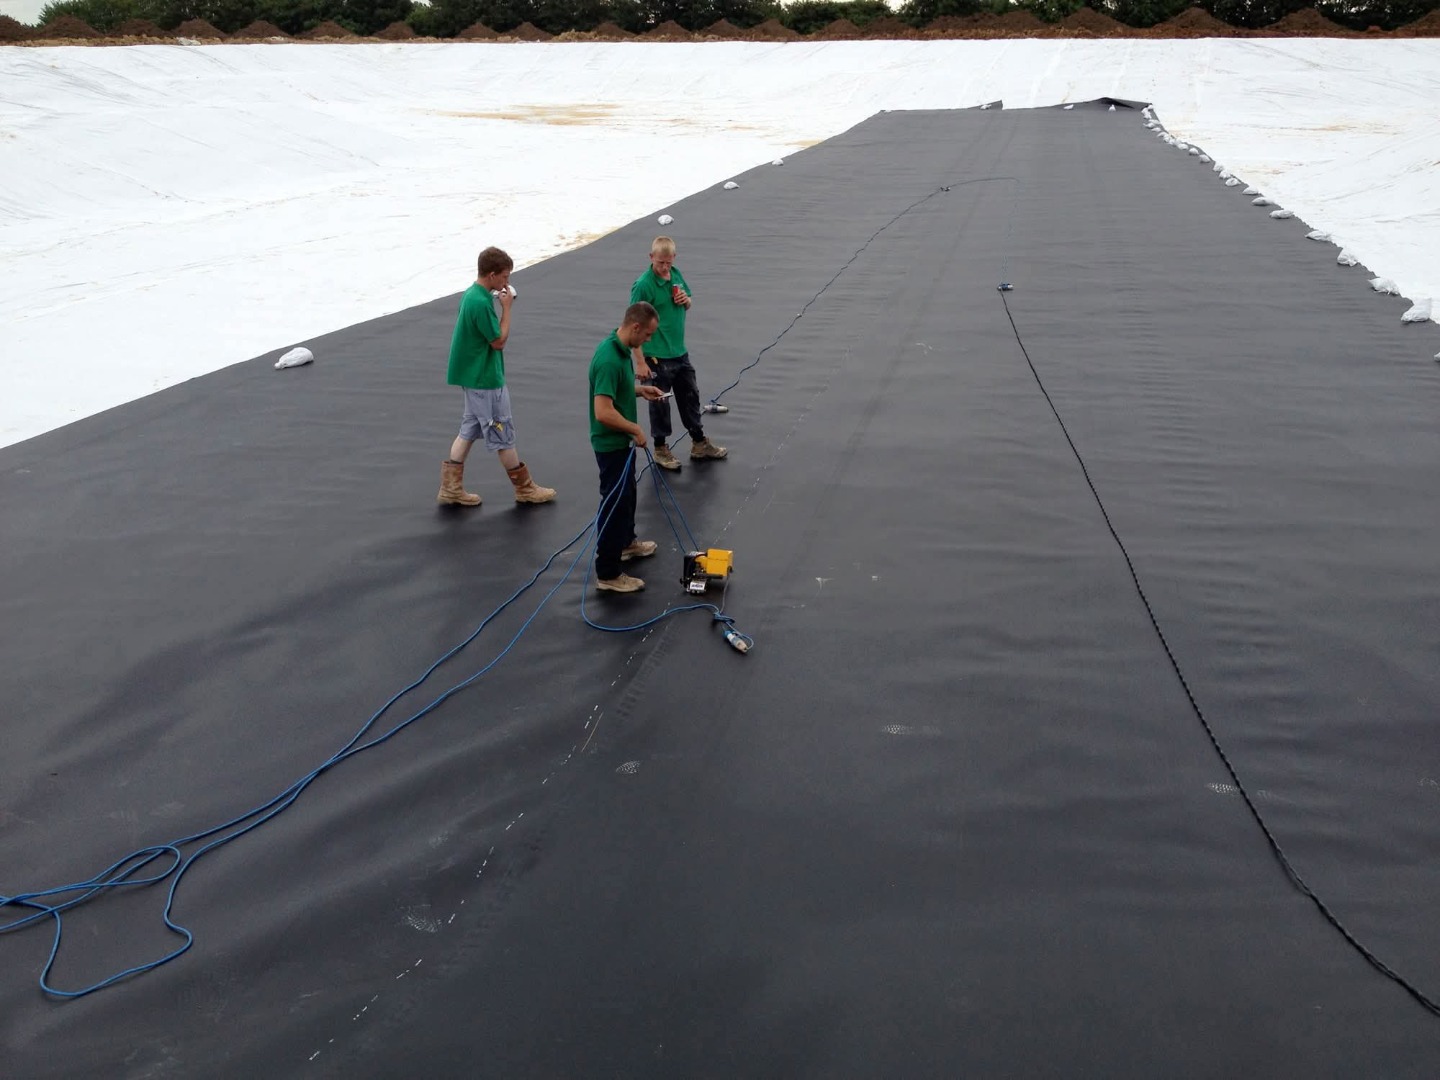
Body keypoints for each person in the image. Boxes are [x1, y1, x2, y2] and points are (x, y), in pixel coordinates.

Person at [437, 246, 556, 507]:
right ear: (492, 275)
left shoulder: (472, 295)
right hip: (485, 379)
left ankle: (450, 487)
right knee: (502, 431)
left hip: (473, 377)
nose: (506, 282)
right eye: (504, 276)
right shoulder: (481, 303)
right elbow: (498, 341)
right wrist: (507, 308)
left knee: (469, 428)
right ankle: (524, 488)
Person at [628, 236, 727, 471]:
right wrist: (640, 361)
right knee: (660, 402)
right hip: (656, 356)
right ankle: (661, 448)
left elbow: (688, 303)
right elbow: (633, 325)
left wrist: (686, 300)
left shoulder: (676, 275)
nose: (664, 267)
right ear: (651, 257)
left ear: (674, 258)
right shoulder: (643, 285)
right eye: (660, 262)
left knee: (690, 396)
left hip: (679, 352)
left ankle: (699, 442)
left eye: (668, 263)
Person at [590, 302, 669, 593]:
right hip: (611, 444)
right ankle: (608, 573)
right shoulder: (609, 359)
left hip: (621, 443)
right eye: (647, 335)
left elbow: (616, 390)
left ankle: (625, 544)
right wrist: (635, 429)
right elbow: (603, 411)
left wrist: (639, 390)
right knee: (614, 504)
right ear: (635, 327)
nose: (648, 340)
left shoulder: (621, 350)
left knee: (628, 496)